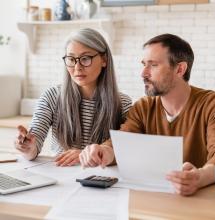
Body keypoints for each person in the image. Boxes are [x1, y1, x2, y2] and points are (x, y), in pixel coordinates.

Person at [79, 33, 215, 196]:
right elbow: (123, 142)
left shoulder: (213, 104)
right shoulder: (143, 107)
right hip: (156, 197)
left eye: (153, 65)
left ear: (180, 69)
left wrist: (200, 177)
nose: (143, 73)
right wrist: (103, 151)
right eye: (144, 64)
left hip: (200, 203)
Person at [15, 28, 132, 166]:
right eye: (71, 59)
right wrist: (27, 147)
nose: (77, 67)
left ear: (104, 60)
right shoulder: (52, 96)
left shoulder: (123, 103)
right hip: (61, 176)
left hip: (101, 179)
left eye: (85, 58)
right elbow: (34, 147)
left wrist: (85, 155)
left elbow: (127, 151)